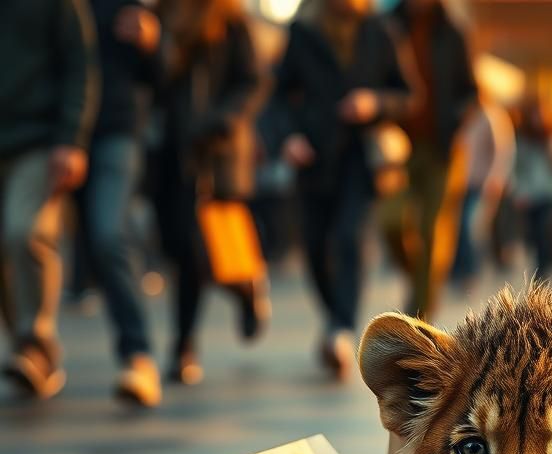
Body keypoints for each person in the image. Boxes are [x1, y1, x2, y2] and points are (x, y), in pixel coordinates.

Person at [269, 0, 417, 378]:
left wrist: (376, 102)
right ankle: (335, 318)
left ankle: (341, 328)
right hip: (313, 156)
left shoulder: (381, 32)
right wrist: (288, 136)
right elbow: (278, 95)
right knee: (316, 246)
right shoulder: (303, 32)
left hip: (360, 158)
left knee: (350, 237)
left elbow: (408, 95)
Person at [152, 0, 266, 386]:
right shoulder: (160, 15)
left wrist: (224, 120)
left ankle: (183, 346)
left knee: (194, 254)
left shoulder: (231, 19)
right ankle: (242, 285)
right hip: (168, 151)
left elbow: (254, 79)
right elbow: (153, 83)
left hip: (213, 152)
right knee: (177, 247)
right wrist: (150, 47)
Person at [0, 0, 98, 399]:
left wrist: (71, 138)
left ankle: (36, 344)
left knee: (26, 231)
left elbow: (80, 66)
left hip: (38, 141)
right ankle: (25, 351)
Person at [74, 0, 164, 406]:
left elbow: (164, 80)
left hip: (115, 130)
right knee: (21, 234)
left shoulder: (131, 7)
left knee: (110, 231)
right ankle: (34, 346)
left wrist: (152, 43)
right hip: (43, 132)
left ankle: (137, 353)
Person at [381, 0, 476, 320]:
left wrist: (456, 120)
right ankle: (419, 279)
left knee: (433, 231)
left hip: (441, 148)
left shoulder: (453, 32)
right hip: (397, 148)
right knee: (391, 221)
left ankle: (421, 312)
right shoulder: (386, 26)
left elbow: (470, 91)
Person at [449, 95, 515, 293]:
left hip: (481, 184)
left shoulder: (491, 115)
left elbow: (501, 151)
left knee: (471, 227)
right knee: (458, 228)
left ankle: (471, 272)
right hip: (460, 183)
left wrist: (495, 178)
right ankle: (460, 271)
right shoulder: (463, 115)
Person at [511, 99, 552, 282]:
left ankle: (544, 267)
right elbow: (516, 168)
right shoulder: (522, 140)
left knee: (544, 230)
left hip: (550, 193)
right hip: (529, 195)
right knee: (533, 233)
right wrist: (518, 192)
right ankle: (539, 264)